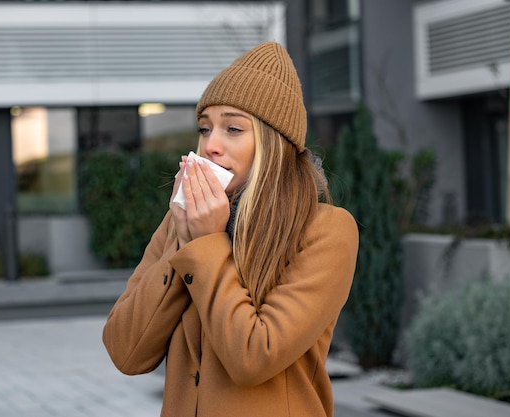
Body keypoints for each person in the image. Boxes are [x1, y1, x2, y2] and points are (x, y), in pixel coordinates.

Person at [102, 41, 359, 417]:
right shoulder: (180, 222)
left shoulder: (326, 230)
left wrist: (206, 243)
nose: (211, 146)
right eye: (205, 129)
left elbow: (254, 357)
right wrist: (183, 237)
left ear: (275, 144)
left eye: (233, 128)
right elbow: (126, 351)